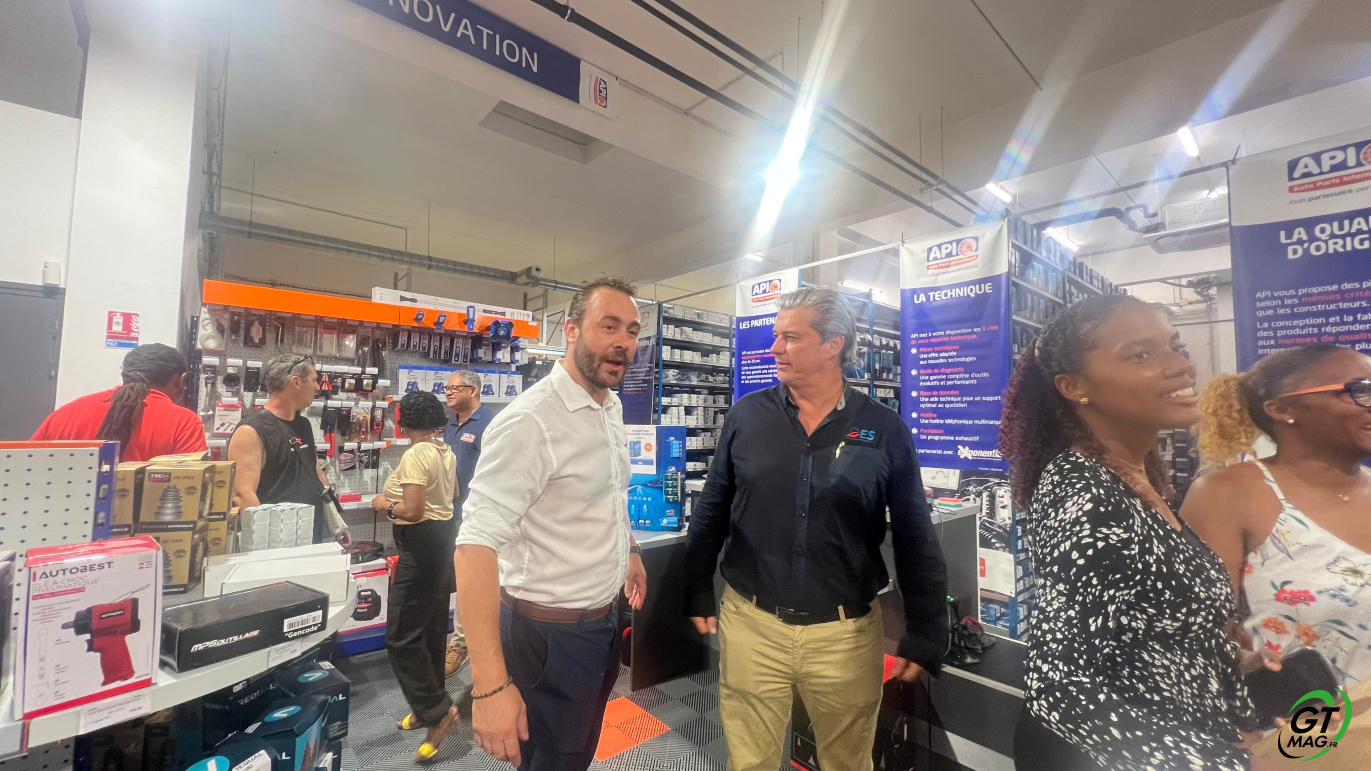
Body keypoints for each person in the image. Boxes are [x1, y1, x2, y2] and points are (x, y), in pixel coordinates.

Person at [684, 286, 947, 771]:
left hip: (845, 637)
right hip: (752, 627)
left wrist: (928, 628)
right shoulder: (747, 416)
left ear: (833, 344)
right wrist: (696, 587)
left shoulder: (884, 429)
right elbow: (713, 508)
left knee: (847, 761)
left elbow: (915, 534)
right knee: (750, 762)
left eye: (790, 337)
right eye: (775, 336)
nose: (774, 348)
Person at [1000, 295, 1263, 770]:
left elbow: (1144, 634)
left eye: (1176, 346)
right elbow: (1059, 686)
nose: (1182, 365)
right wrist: (1227, 764)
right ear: (1074, 386)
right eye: (1141, 355)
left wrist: (1232, 664)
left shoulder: (1134, 476)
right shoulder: (1087, 497)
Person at [454, 277, 648, 771]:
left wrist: (629, 550)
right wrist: (489, 687)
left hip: (601, 624)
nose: (623, 342)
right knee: (550, 760)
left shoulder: (609, 405)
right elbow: (474, 546)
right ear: (571, 329)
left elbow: (609, 492)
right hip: (547, 638)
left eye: (632, 330)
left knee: (578, 753)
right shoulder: (531, 421)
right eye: (609, 326)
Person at [1184, 345, 1371, 687]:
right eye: (1360, 390)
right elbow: (1195, 635)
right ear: (1282, 409)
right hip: (1311, 721)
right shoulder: (1228, 494)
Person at [372, 391, 461, 763]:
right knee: (430, 628)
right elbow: (454, 493)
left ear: (402, 421)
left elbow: (412, 511)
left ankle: (438, 713)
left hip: (421, 544)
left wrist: (384, 504)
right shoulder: (444, 450)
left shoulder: (415, 454)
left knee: (401, 635)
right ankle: (428, 708)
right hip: (441, 541)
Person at [229, 354, 350, 545]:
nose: (318, 387)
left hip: (310, 536)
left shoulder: (303, 424)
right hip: (276, 542)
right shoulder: (251, 430)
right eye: (314, 380)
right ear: (296, 382)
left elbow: (315, 472)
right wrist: (264, 544)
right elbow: (243, 495)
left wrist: (337, 525)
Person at [32, 343, 205, 461]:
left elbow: (27, 466)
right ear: (179, 381)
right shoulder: (184, 422)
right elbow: (191, 487)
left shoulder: (65, 414)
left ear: (126, 374)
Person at [441, 369, 495, 677]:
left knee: (471, 582)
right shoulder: (451, 424)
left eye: (454, 388)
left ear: (472, 390)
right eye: (446, 388)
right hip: (449, 513)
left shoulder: (490, 423)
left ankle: (460, 644)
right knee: (459, 580)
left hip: (478, 515)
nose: (448, 393)